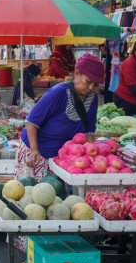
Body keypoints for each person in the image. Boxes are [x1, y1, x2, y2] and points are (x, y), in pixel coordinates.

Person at [14, 53, 104, 181]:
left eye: (96, 85)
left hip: (62, 158)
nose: (91, 88)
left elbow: (89, 129)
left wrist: (91, 155)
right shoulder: (58, 93)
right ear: (77, 73)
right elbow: (32, 122)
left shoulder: (93, 98)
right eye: (88, 82)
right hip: (37, 153)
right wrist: (34, 150)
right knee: (32, 194)